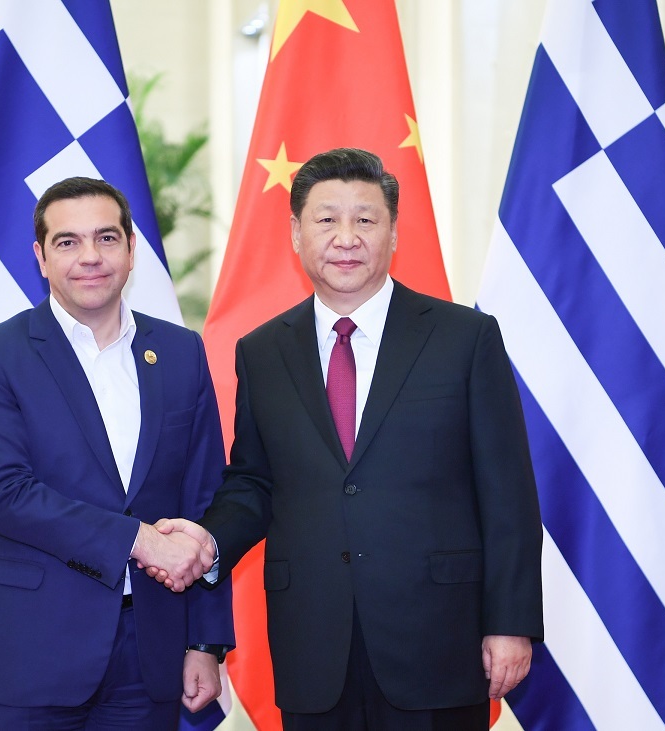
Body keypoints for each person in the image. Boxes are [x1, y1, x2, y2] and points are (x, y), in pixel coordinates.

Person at [153, 148, 543, 730]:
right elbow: (255, 482)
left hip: (437, 639)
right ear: (296, 233)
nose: (346, 238)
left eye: (365, 219)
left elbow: (507, 492)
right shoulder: (262, 351)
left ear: (393, 232)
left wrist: (510, 622)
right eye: (326, 219)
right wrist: (208, 541)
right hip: (313, 643)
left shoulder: (464, 338)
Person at [0, 176, 234, 729]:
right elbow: (4, 494)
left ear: (131, 250)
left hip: (149, 652)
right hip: (28, 652)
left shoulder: (180, 352)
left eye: (106, 238)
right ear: (41, 257)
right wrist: (139, 540)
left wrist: (205, 641)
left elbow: (204, 498)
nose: (90, 257)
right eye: (67, 242)